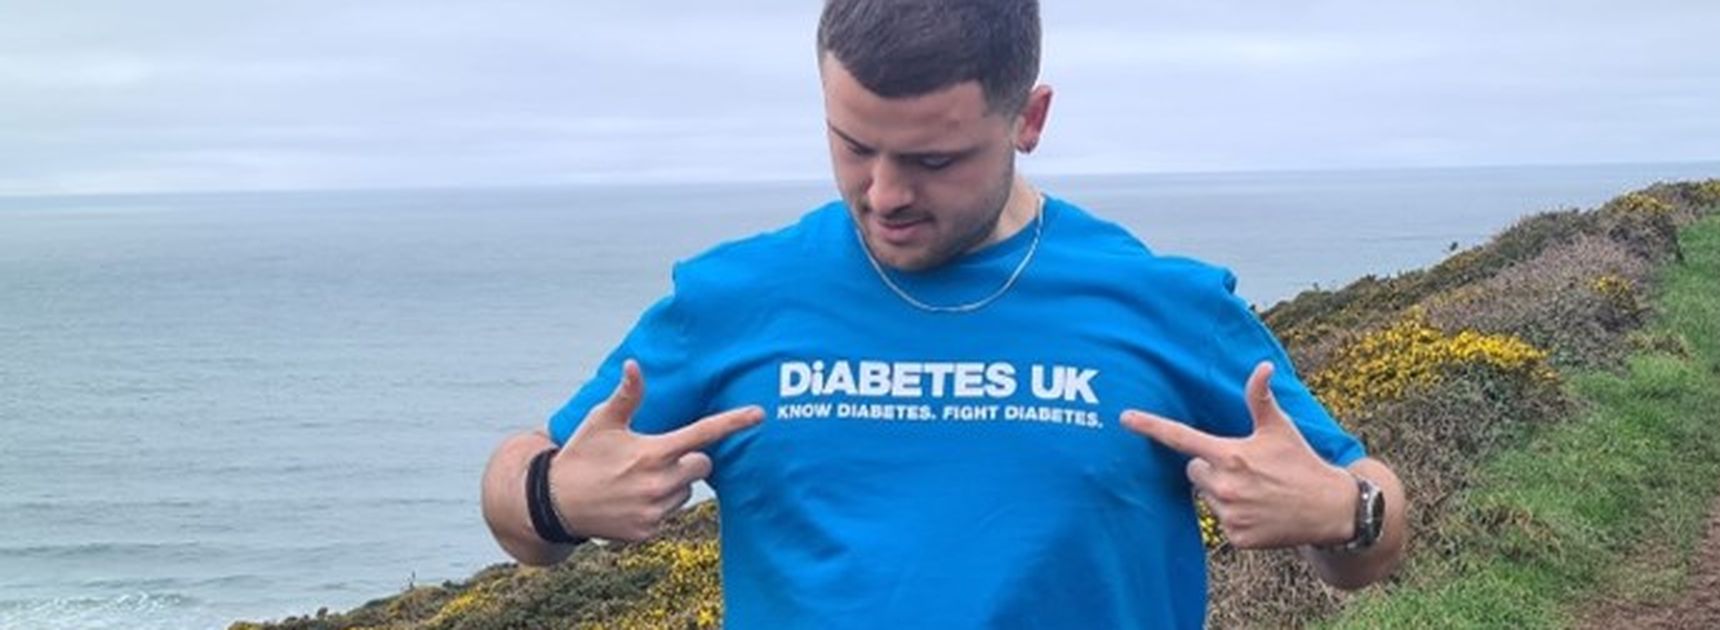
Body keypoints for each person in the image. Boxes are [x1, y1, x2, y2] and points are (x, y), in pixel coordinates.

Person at [479, 0, 1409, 626]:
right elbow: (517, 487)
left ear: (1029, 118)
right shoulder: (735, 299)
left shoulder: (1164, 303)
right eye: (852, 145)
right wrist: (552, 497)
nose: (883, 194)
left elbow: (1370, 527)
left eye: (933, 161)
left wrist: (1341, 510)